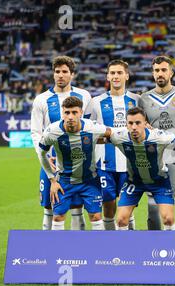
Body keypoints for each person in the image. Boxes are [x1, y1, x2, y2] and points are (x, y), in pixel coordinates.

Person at [31, 56, 91, 230]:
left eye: (65, 72)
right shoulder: (41, 100)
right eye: (57, 72)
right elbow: (36, 133)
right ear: (53, 74)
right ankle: (49, 248)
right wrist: (44, 156)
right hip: (51, 161)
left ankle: (75, 248)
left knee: (77, 207)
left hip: (78, 162)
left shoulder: (84, 96)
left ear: (72, 74)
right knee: (50, 206)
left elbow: (88, 128)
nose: (60, 75)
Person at [138, 56, 175, 231]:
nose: (160, 74)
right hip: (155, 160)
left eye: (163, 70)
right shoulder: (144, 99)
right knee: (153, 205)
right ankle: (155, 244)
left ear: (171, 72)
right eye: (156, 70)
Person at [37, 96, 109, 230]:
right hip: (64, 181)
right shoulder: (52, 131)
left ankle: (100, 249)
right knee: (58, 217)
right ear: (62, 113)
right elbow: (41, 153)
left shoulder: (91, 127)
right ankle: (58, 251)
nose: (70, 117)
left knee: (96, 217)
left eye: (74, 112)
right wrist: (52, 180)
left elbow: (111, 133)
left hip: (89, 181)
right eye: (67, 112)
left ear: (81, 113)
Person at [84, 60, 140, 230]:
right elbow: (88, 130)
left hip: (130, 164)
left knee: (127, 209)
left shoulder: (137, 100)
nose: (116, 76)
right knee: (108, 206)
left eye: (119, 73)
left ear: (127, 75)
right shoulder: (96, 102)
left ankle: (130, 245)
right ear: (108, 76)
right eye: (112, 73)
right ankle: (110, 246)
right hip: (104, 164)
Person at [109, 107, 175, 231]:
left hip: (159, 182)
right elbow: (102, 134)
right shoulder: (119, 137)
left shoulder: (159, 137)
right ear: (126, 124)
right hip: (134, 182)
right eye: (130, 123)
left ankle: (171, 244)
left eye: (138, 123)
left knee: (168, 219)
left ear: (145, 124)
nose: (134, 127)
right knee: (120, 220)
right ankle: (124, 248)